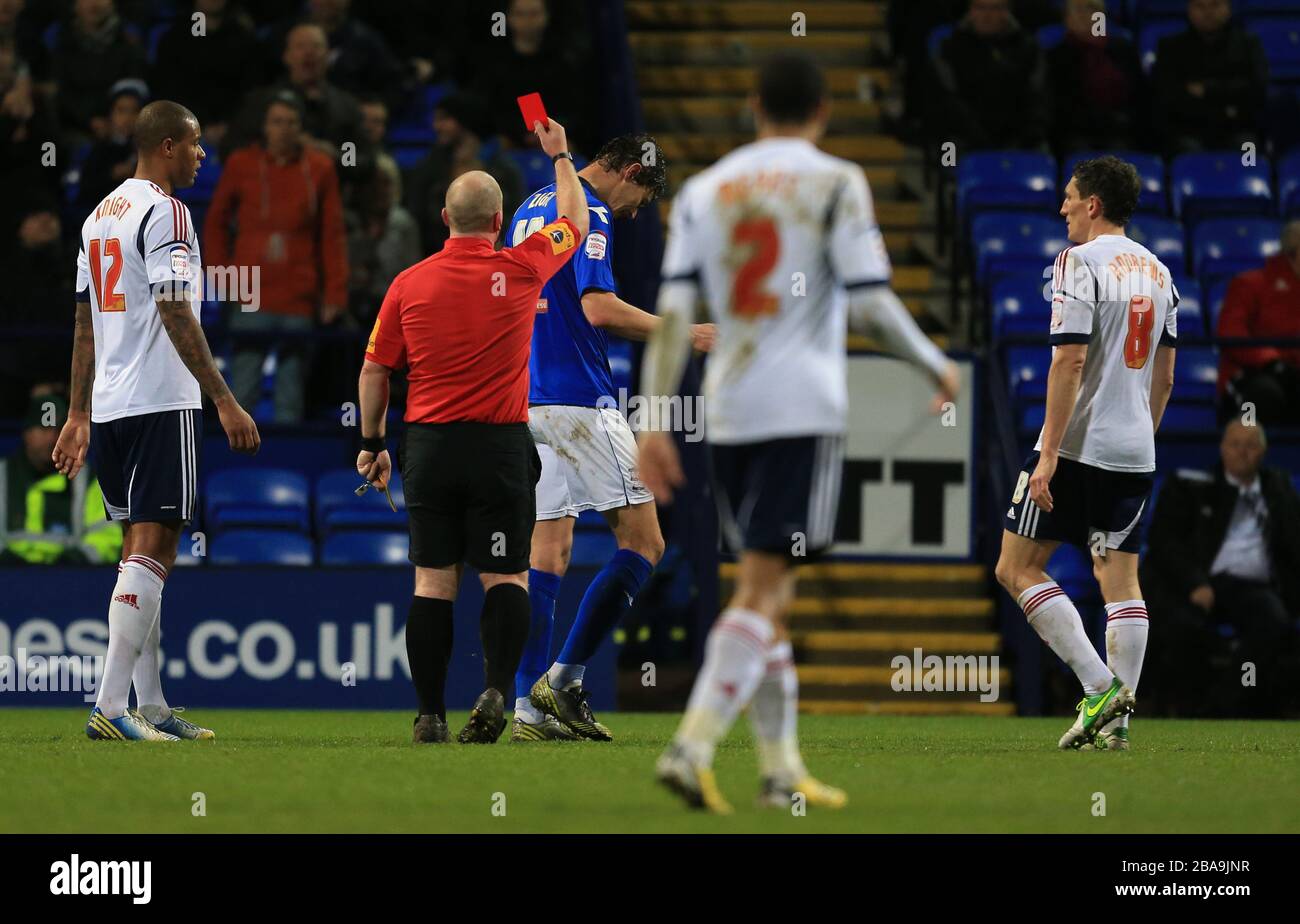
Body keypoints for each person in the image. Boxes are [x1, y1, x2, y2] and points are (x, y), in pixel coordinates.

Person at [638, 52, 959, 813]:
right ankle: (691, 745)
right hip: (803, 408)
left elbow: (675, 317)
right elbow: (874, 303)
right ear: (822, 112)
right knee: (765, 587)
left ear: (753, 106)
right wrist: (932, 361)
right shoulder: (834, 181)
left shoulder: (703, 190)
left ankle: (781, 772)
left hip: (729, 411)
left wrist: (652, 420)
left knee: (760, 591)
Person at [356, 117, 589, 746]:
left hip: (429, 446)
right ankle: (495, 687)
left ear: (443, 217)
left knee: (433, 581)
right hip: (499, 446)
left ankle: (429, 713)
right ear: (499, 221)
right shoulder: (521, 268)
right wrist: (561, 156)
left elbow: (375, 369)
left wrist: (373, 444)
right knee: (506, 576)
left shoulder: (409, 284)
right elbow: (579, 222)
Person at [53, 99, 261, 743]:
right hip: (160, 398)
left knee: (139, 552)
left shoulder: (97, 217)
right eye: (196, 144)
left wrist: (79, 411)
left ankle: (152, 705)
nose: (204, 155)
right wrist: (224, 398)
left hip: (113, 403)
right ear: (167, 146)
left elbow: (85, 323)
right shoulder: (166, 210)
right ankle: (111, 707)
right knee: (157, 546)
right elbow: (175, 310)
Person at [503, 134, 714, 743]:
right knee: (645, 542)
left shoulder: (529, 207)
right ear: (628, 171)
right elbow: (597, 308)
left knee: (547, 556)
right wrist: (686, 334)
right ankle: (563, 681)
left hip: (526, 397)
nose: (636, 212)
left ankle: (528, 710)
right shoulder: (590, 211)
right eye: (643, 196)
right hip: (579, 401)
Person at [994, 156, 1178, 752]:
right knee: (1120, 580)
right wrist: (1139, 436)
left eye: (1070, 198)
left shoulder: (1077, 262)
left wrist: (1048, 454)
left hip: (1076, 445)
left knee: (1016, 566)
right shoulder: (1160, 272)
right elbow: (1166, 378)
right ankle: (1118, 726)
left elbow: (1068, 361)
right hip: (1134, 451)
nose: (1062, 208)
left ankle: (1099, 687)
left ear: (1093, 203)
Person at [205, 91, 348, 423]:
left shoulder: (320, 168)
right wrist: (221, 277)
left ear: (301, 127)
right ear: (265, 127)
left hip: (299, 291)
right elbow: (215, 222)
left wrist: (335, 293)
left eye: (291, 122)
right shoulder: (241, 163)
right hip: (250, 289)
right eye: (277, 122)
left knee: (291, 392)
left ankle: (285, 465)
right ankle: (238, 464)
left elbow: (332, 235)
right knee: (243, 385)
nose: (284, 129)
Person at [1141, 421, 1300, 717]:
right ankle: (1180, 704)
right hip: (1203, 582)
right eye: (1235, 445)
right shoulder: (1195, 486)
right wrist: (1194, 582)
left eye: (1251, 446)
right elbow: (1165, 541)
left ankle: (1222, 708)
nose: (1243, 453)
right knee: (1181, 628)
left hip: (1254, 588)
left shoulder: (1278, 491)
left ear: (1263, 452)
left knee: (1274, 623)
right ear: (1222, 449)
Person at [0, 391, 121, 565]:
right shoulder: (3, 475)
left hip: (69, 582)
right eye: (43, 429)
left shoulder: (87, 480)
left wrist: (79, 558)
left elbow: (107, 535)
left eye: (58, 430)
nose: (52, 438)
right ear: (26, 433)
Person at [404, 91, 525, 257]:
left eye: (444, 119)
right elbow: (419, 216)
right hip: (439, 256)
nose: (436, 126)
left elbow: (515, 218)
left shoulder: (503, 169)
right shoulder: (429, 166)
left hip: (494, 257)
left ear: (464, 121)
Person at [1153, 0, 1267, 157]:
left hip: (1240, 128)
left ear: (1228, 9)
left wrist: (1206, 90)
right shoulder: (1170, 47)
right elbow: (1168, 97)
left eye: (1215, 5)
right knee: (1185, 151)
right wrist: (1228, 97)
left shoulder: (1249, 44)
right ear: (1189, 10)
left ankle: (1253, 181)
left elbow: (1257, 91)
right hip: (1188, 131)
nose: (1208, 12)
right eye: (1200, 6)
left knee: (1250, 151)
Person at [932, 0, 1049, 151]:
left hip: (1020, 139)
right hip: (963, 139)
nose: (987, 15)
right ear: (970, 10)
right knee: (948, 153)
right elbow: (946, 98)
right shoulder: (949, 48)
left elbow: (1038, 96)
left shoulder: (1028, 47)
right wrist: (974, 135)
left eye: (995, 8)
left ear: (1007, 12)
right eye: (980, 8)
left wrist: (1027, 135)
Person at [1218, 220, 1300, 427]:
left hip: (1294, 374)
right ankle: (1247, 452)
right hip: (1251, 375)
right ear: (1293, 253)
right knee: (1264, 396)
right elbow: (1230, 332)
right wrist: (1270, 360)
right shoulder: (1249, 284)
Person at [1045, 0, 1143, 155]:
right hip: (1074, 133)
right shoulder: (1055, 56)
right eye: (1077, 10)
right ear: (1066, 18)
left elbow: (1139, 98)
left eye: (1092, 9)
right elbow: (1057, 108)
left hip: (1119, 130)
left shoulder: (1124, 50)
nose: (1085, 15)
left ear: (1102, 17)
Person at [76, 78, 146, 212]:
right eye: (121, 110)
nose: (128, 118)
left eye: (134, 111)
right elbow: (86, 188)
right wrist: (111, 175)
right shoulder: (100, 148)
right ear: (110, 114)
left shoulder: (148, 150)